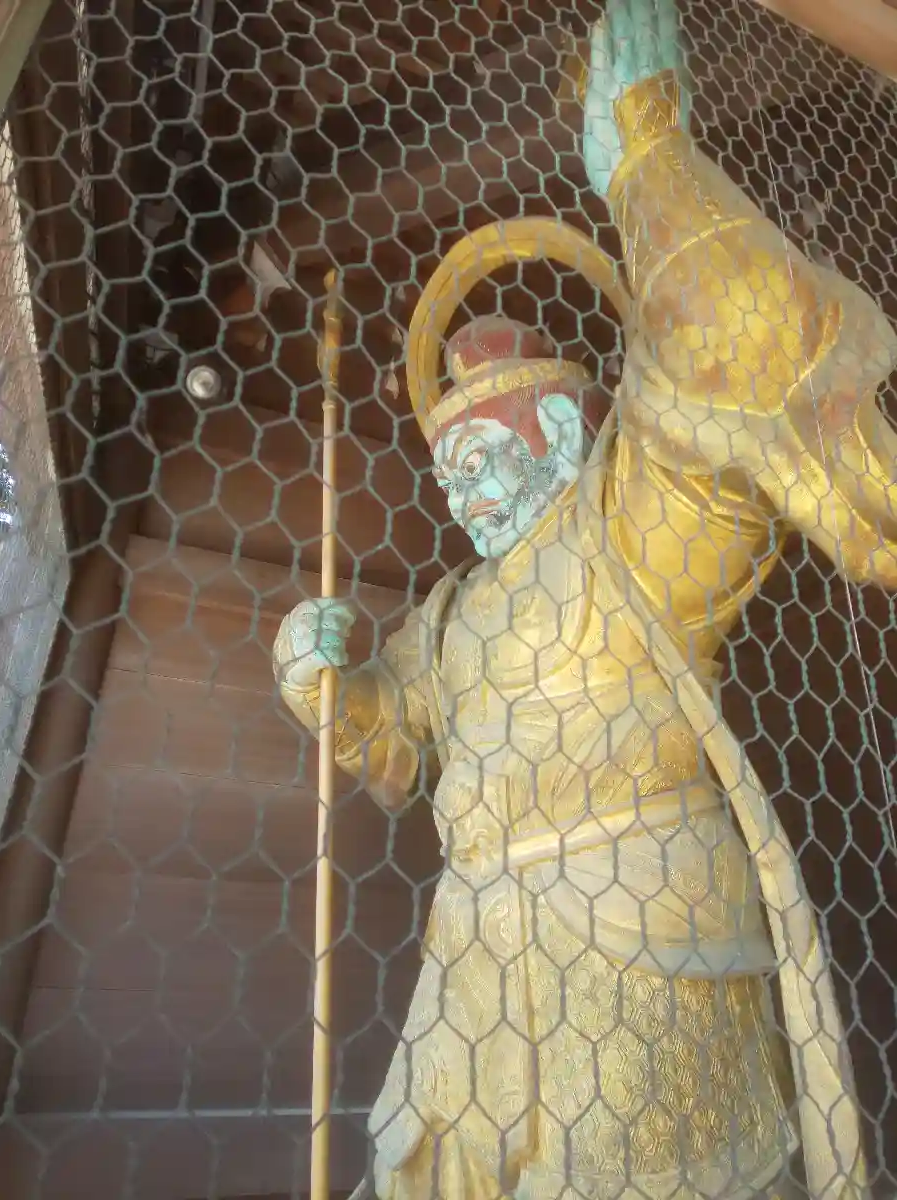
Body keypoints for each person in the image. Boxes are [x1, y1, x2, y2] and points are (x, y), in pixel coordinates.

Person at [273, 2, 897, 1196]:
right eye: (446, 475)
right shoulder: (446, 615)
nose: (461, 494)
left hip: (641, 932)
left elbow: (722, 362)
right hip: (474, 963)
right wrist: (324, 681)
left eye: (479, 458)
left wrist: (649, 165)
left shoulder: (625, 527)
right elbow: (392, 749)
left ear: (561, 431)